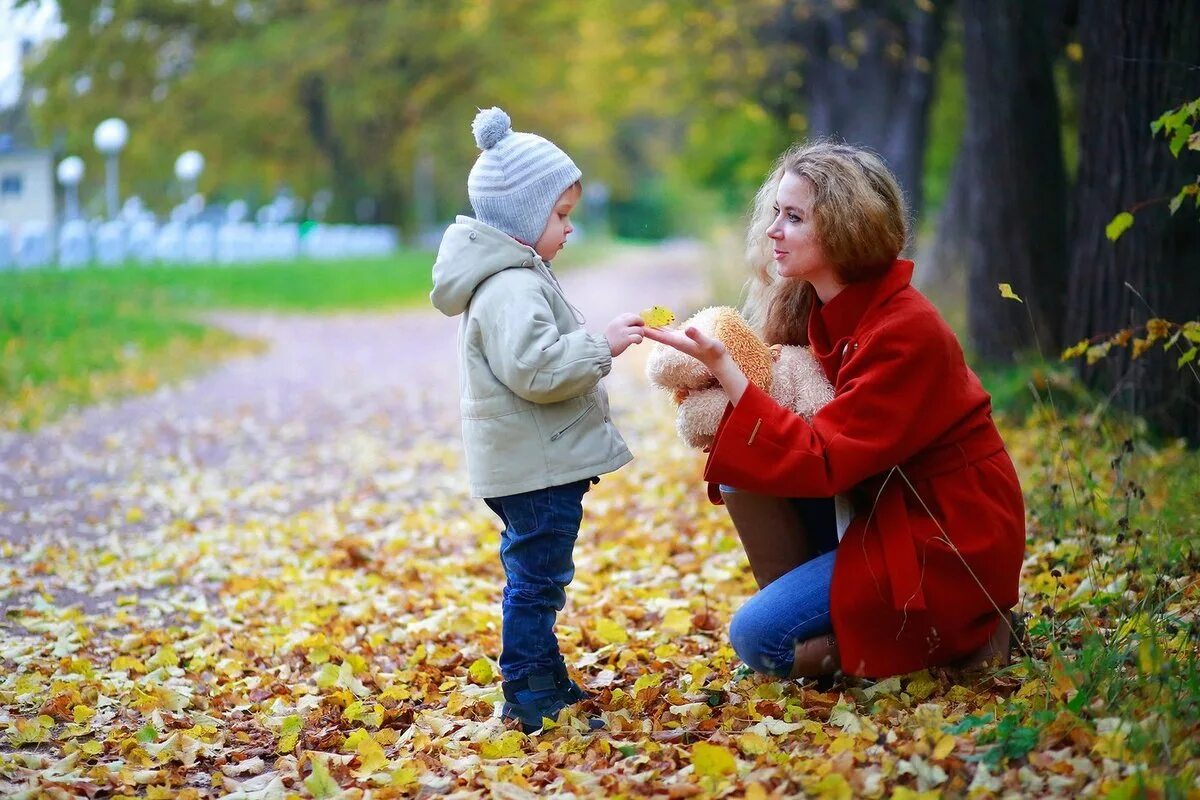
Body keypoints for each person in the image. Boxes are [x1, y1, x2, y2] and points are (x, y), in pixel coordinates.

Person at [644, 140, 1026, 680]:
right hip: (881, 504)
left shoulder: (905, 330)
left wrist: (728, 368)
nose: (774, 230)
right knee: (741, 467)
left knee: (758, 640)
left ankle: (967, 635)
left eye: (794, 217)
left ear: (847, 227)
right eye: (776, 212)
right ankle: (848, 619)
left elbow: (823, 458)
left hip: (946, 533)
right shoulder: (824, 309)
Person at [430, 107, 645, 730]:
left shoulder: (512, 277)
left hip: (530, 463)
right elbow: (536, 369)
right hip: (535, 470)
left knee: (539, 577)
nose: (567, 228)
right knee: (536, 583)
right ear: (524, 218)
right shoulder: (511, 287)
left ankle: (541, 675)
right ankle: (528, 691)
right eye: (560, 216)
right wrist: (602, 345)